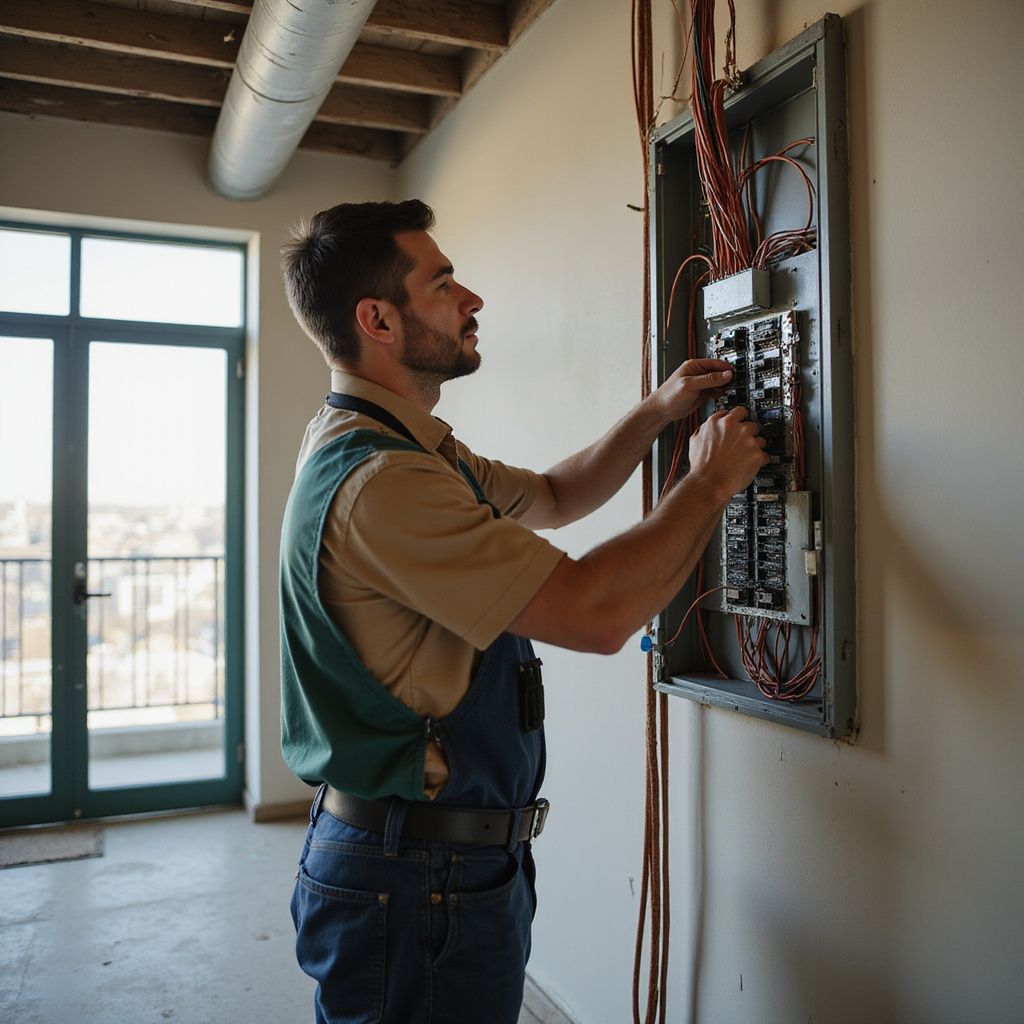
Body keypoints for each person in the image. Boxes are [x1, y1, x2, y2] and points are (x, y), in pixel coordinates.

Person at [278, 200, 767, 1024]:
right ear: (378, 320)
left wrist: (655, 414)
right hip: (417, 875)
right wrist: (711, 484)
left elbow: (553, 495)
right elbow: (596, 612)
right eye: (442, 283)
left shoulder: (394, 445)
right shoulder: (386, 482)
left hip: (436, 863)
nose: (471, 298)